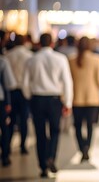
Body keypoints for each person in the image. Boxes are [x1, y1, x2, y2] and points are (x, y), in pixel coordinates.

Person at [22, 33, 73, 178]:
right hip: (54, 99)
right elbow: (67, 82)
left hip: (37, 99)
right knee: (55, 130)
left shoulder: (31, 60)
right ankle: (51, 156)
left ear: (39, 43)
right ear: (52, 43)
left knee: (40, 133)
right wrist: (68, 102)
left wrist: (29, 96)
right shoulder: (60, 59)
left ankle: (43, 166)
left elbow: (25, 83)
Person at [69, 37, 99, 162]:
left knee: (77, 126)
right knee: (90, 125)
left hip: (76, 97)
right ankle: (87, 148)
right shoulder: (96, 59)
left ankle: (81, 147)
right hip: (92, 97)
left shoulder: (71, 60)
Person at [5, 34, 33, 155]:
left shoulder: (7, 56)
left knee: (11, 119)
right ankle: (23, 145)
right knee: (24, 119)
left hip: (10, 91)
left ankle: (8, 145)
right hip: (23, 91)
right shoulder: (29, 56)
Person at [0, 55, 17, 166]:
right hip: (0, 99)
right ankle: (5, 155)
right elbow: (9, 83)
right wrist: (8, 102)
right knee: (4, 127)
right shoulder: (2, 61)